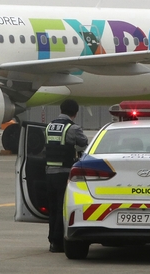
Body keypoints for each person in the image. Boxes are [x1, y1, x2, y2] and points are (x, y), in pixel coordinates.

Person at [45, 99, 89, 253]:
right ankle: (58, 242)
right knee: (61, 209)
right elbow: (84, 143)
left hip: (48, 173)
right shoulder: (73, 128)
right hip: (63, 174)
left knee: (52, 209)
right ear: (75, 113)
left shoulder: (49, 126)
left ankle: (51, 240)